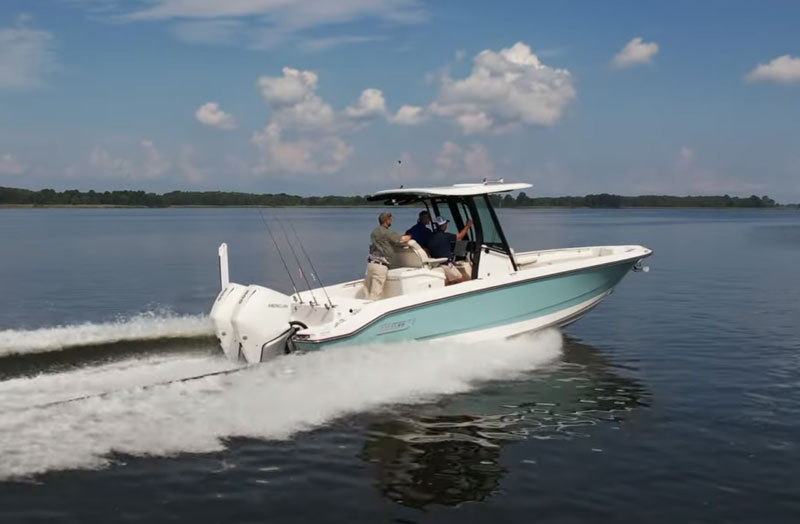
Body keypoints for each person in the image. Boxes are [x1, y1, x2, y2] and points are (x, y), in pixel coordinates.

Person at [364, 211, 411, 300]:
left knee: (367, 291)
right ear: (387, 220)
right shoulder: (387, 232)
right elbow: (402, 239)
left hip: (371, 265)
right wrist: (410, 236)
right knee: (375, 294)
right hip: (380, 266)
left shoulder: (374, 232)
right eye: (391, 219)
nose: (391, 221)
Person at [427, 216, 473, 284]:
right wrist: (467, 226)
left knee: (448, 283)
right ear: (443, 225)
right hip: (446, 264)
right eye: (446, 224)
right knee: (462, 281)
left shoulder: (431, 236)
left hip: (436, 264)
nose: (446, 225)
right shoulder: (446, 236)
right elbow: (460, 237)